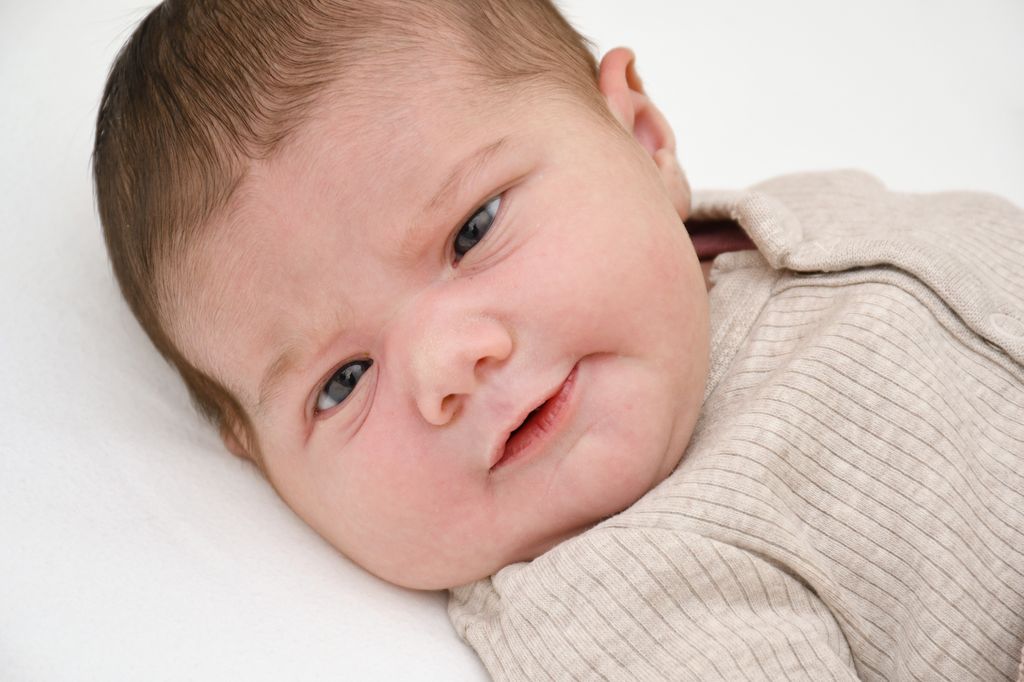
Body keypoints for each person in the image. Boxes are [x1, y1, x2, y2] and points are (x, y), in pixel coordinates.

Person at [92, 0, 1024, 678]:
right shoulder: (623, 605)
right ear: (262, 466)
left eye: (473, 230)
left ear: (642, 138)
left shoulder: (795, 214)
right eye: (343, 381)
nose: (446, 365)